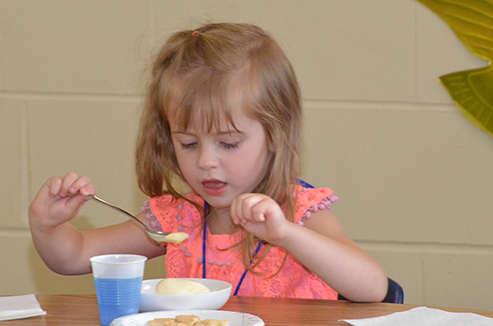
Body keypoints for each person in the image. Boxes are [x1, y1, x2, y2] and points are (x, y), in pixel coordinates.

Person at [29, 22, 388, 302]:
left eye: (228, 143)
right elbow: (74, 257)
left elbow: (374, 287)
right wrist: (47, 227)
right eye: (187, 143)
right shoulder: (177, 217)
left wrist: (286, 234)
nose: (205, 162)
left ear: (276, 135)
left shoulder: (299, 212)